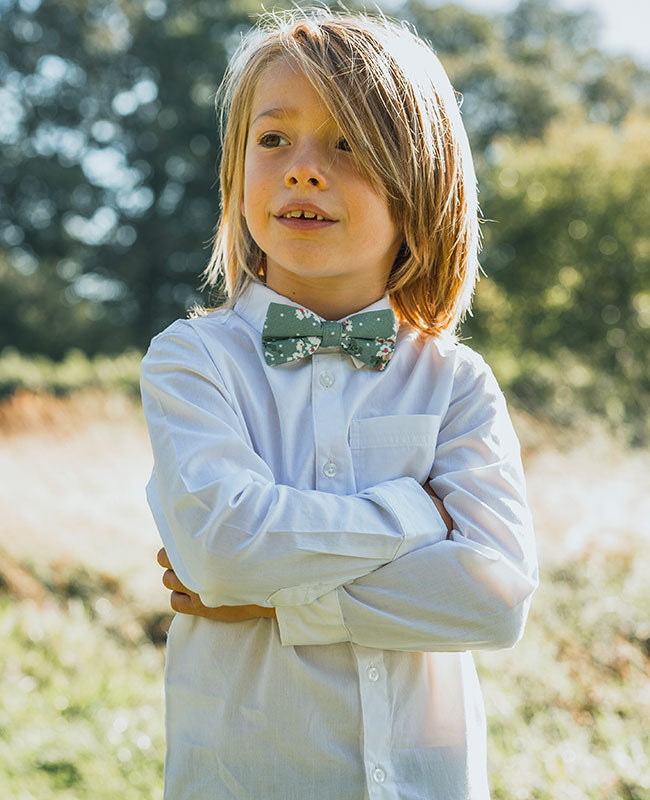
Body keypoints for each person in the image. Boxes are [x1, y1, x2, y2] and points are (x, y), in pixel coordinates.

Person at [140, 8, 538, 800]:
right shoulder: (192, 360)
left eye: (348, 143)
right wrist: (414, 516)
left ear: (420, 180)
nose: (302, 169)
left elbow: (493, 599)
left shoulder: (456, 383)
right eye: (273, 139)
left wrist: (277, 601)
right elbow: (224, 550)